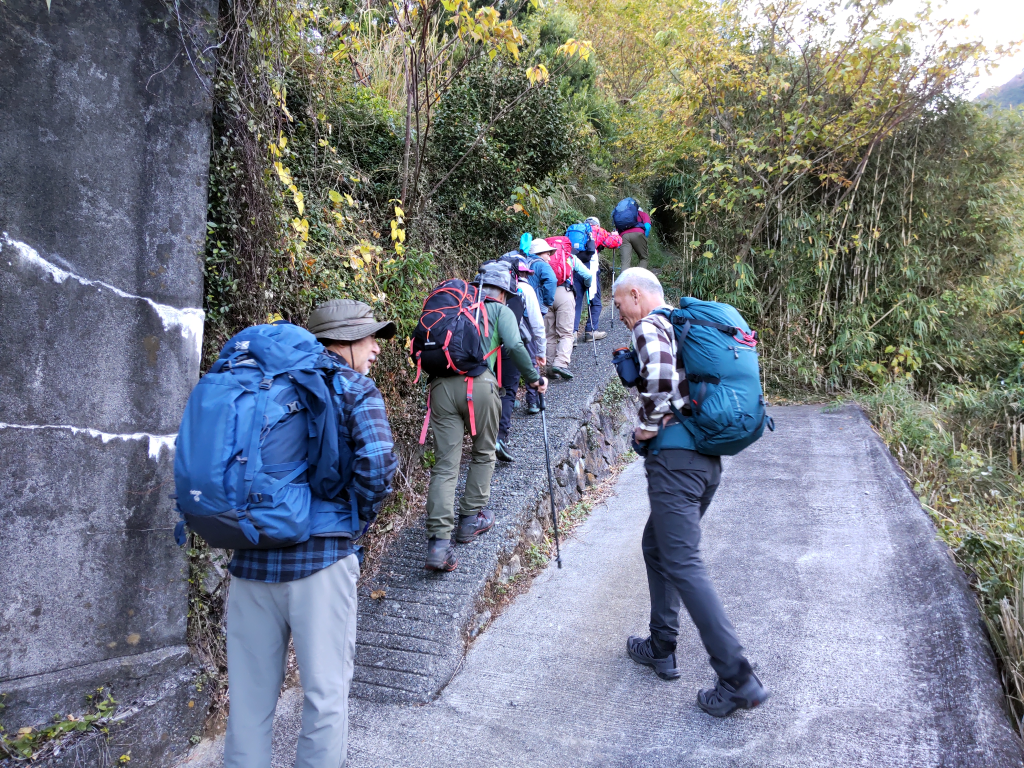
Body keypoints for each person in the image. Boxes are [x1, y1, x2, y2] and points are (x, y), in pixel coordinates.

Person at [224, 299, 399, 768]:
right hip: (320, 562)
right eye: (369, 337)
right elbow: (379, 464)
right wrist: (355, 522)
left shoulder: (252, 385)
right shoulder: (349, 386)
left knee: (247, 705)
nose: (376, 348)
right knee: (324, 696)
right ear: (342, 340)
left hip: (249, 560)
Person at [611, 268, 769, 717]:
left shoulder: (650, 325)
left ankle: (738, 678)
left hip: (675, 462)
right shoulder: (685, 327)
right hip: (704, 462)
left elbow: (659, 379)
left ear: (636, 295)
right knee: (657, 547)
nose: (620, 314)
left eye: (620, 304)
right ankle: (661, 645)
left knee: (682, 561)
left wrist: (644, 428)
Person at [424, 263, 547, 571]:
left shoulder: (458, 307)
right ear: (505, 293)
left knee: (445, 464)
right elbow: (516, 345)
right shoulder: (499, 311)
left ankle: (439, 544)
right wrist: (534, 378)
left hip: (440, 387)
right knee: (483, 452)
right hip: (479, 386)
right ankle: (469, 520)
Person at [496, 258, 546, 462]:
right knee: (508, 391)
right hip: (511, 346)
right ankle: (499, 438)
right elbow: (536, 323)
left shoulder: (482, 288)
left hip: (483, 347)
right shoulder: (524, 290)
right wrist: (541, 350)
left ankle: (484, 439)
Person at [542, 236, 589, 380]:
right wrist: (587, 284)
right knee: (566, 333)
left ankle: (550, 367)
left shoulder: (544, 258)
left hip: (546, 295)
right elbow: (587, 274)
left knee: (549, 334)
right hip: (565, 293)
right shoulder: (570, 257)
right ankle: (561, 363)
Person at [617, 206, 652, 271]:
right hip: (638, 234)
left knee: (625, 262)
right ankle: (638, 278)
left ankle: (624, 280)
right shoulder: (642, 214)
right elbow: (647, 227)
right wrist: (644, 238)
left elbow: (618, 229)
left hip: (624, 236)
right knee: (644, 258)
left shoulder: (624, 217)